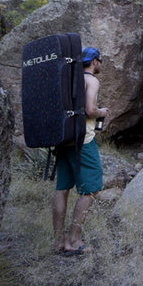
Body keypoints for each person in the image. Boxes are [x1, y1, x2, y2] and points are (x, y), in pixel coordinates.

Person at [52, 46, 109, 256]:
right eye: (100, 60)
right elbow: (90, 110)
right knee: (91, 189)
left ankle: (57, 241)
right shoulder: (91, 80)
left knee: (62, 188)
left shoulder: (68, 79)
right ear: (94, 61)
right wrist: (101, 112)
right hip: (82, 142)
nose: (101, 64)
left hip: (62, 140)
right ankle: (73, 241)